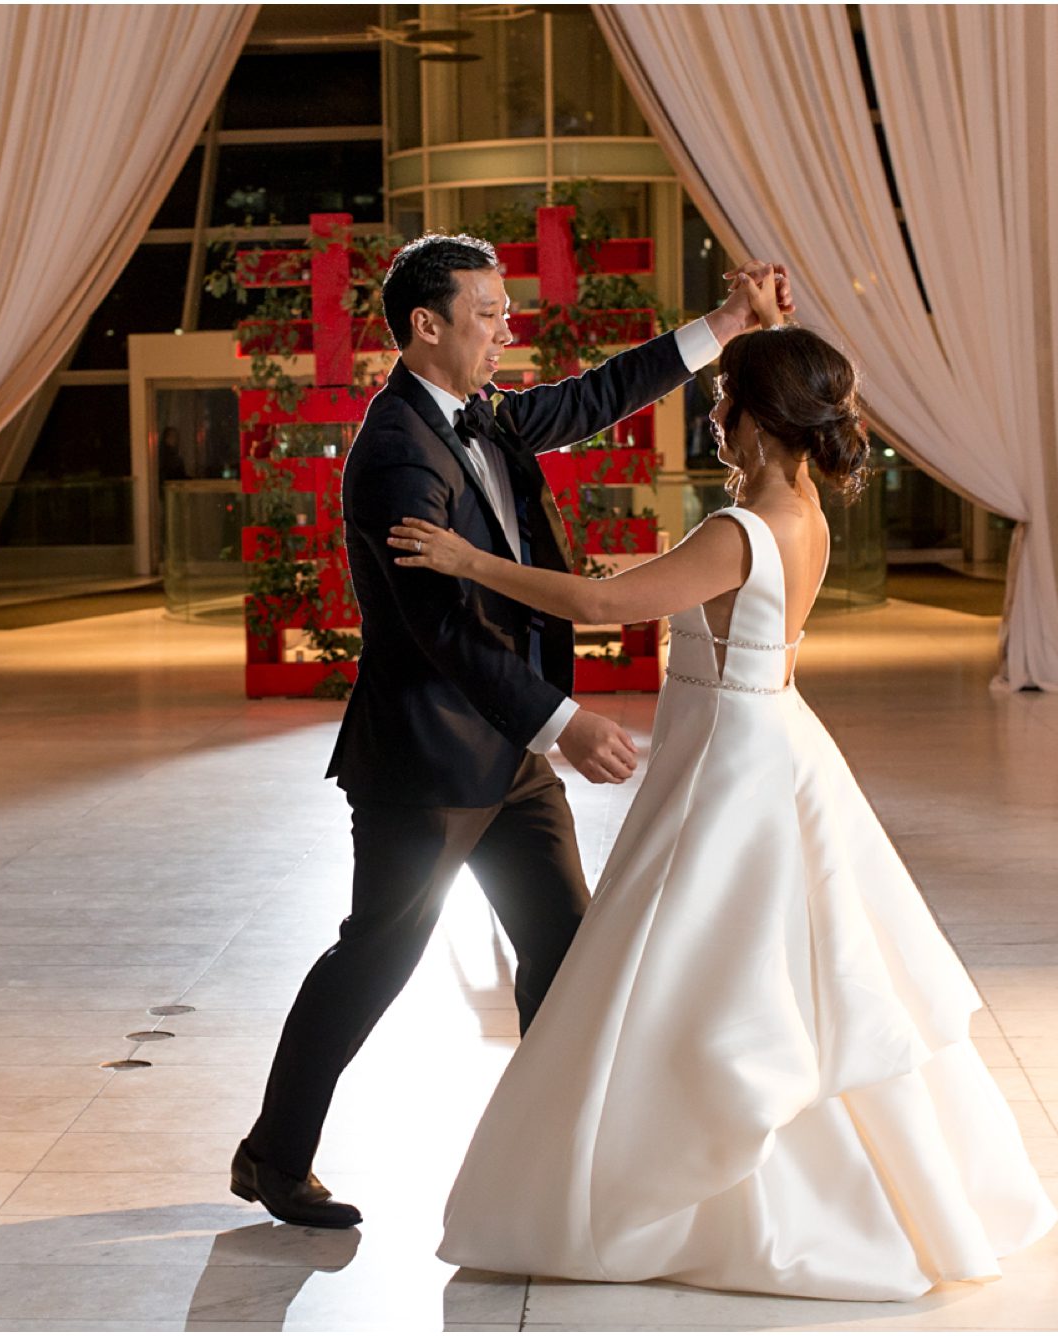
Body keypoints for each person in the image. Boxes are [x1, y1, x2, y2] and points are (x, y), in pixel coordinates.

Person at [395, 284, 1058, 1300]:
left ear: (757, 415)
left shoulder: (738, 525)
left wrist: (463, 557)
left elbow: (598, 604)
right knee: (794, 972)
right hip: (770, 738)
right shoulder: (803, 517)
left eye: (723, 402)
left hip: (726, 766)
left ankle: (698, 1190)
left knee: (703, 970)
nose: (713, 417)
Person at [229, 233, 793, 1228]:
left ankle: (558, 1160)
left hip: (507, 755)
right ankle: (273, 1158)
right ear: (426, 325)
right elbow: (439, 630)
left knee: (563, 949)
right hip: (428, 762)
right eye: (487, 313)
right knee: (376, 957)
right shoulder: (398, 451)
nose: (506, 329)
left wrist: (728, 326)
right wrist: (562, 722)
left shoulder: (475, 413)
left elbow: (590, 398)